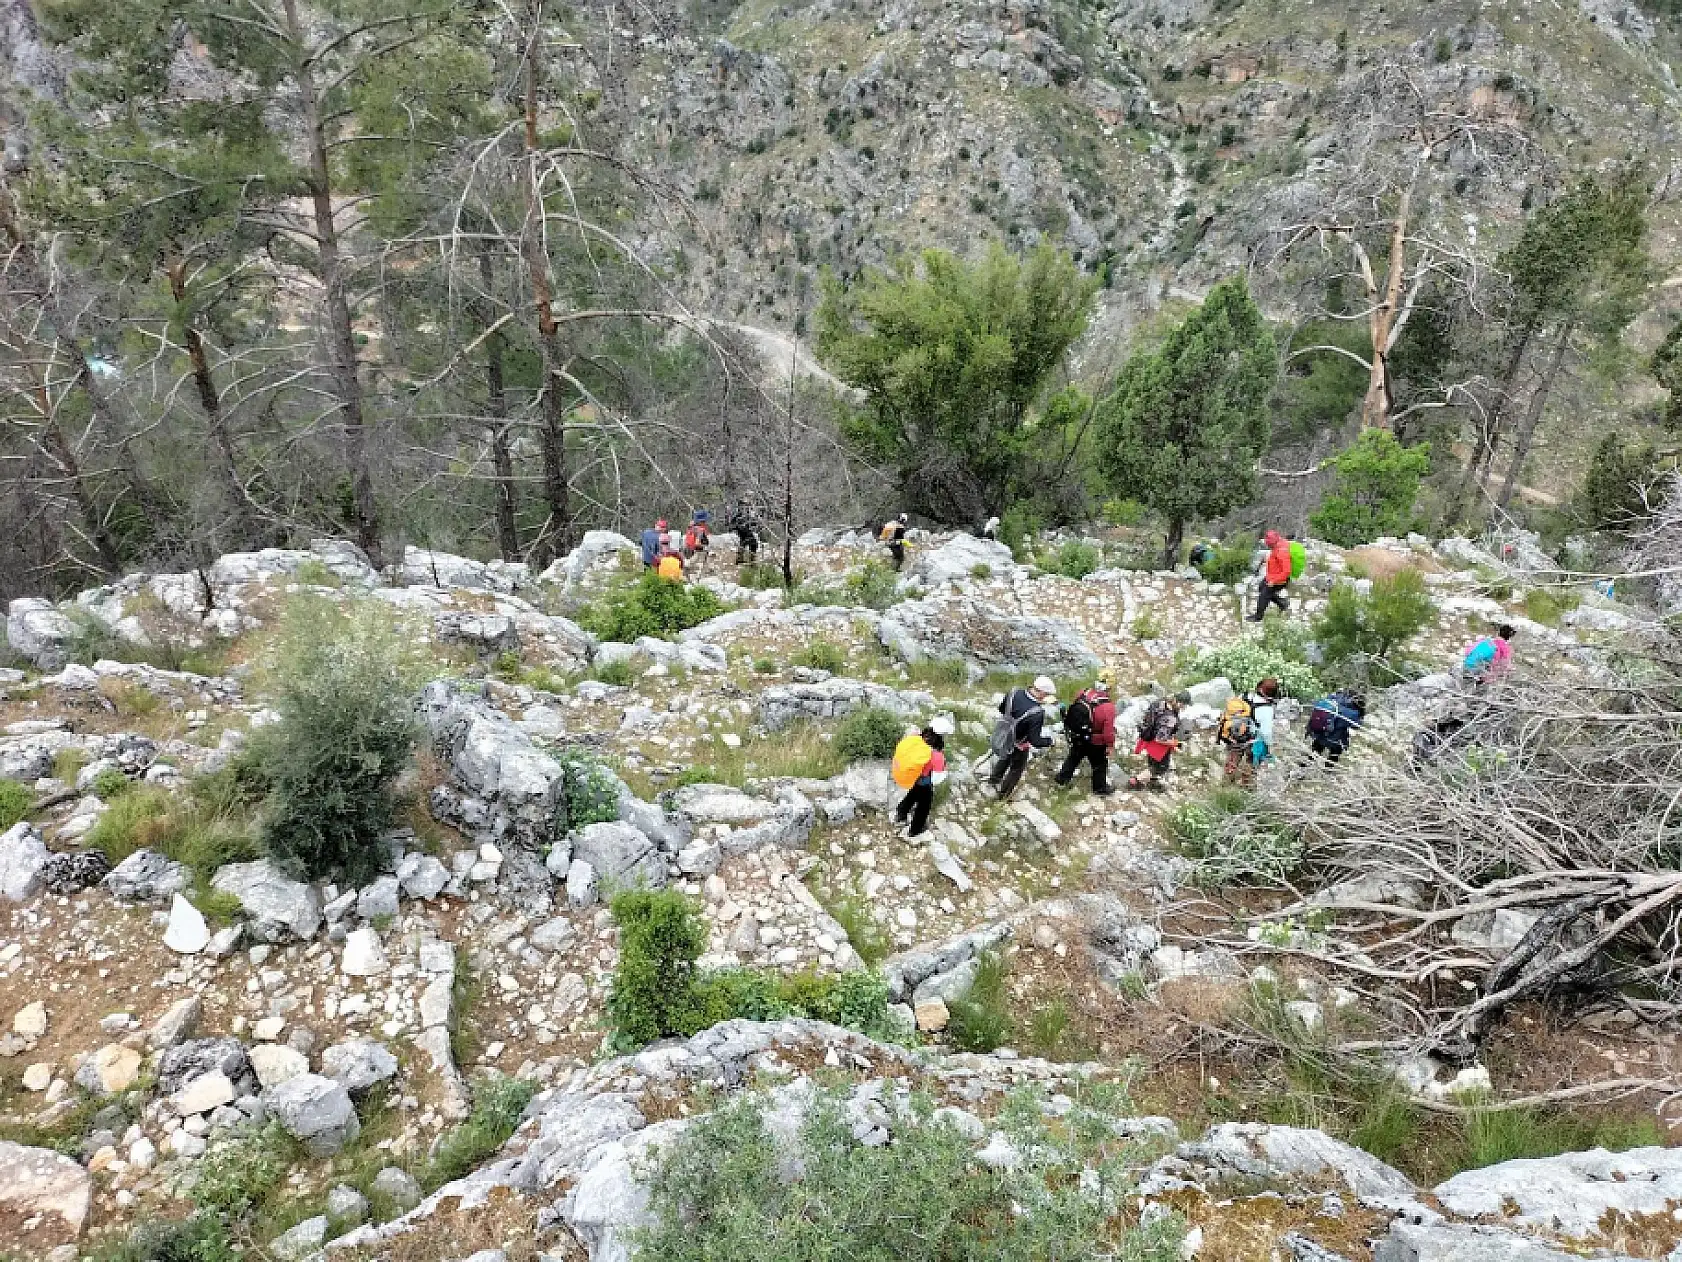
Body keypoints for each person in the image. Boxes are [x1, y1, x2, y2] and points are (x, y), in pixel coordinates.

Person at [989, 676, 1056, 800]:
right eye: (1046, 694)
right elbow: (1035, 740)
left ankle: (994, 779)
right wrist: (1050, 741)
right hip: (1020, 743)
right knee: (1016, 769)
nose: (1046, 697)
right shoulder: (1037, 713)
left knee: (1004, 756)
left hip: (1003, 733)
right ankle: (1003, 796)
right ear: (1041, 693)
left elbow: (1001, 709)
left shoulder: (1014, 692)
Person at [1054, 670, 1117, 796]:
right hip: (1096, 741)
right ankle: (1100, 788)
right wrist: (1110, 745)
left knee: (1073, 757)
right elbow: (1107, 733)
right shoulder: (1108, 707)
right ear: (1109, 687)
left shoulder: (1083, 693)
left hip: (1078, 735)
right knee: (1099, 764)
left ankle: (1062, 779)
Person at [892, 717, 953, 837]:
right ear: (941, 737)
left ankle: (901, 813)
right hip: (924, 783)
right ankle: (915, 830)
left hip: (913, 776)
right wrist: (944, 771)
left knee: (912, 794)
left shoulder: (916, 739)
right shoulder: (937, 755)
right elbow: (936, 780)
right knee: (924, 806)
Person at [1219, 678, 1279, 786]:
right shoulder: (1267, 709)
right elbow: (1266, 733)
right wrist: (1269, 746)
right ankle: (1246, 785)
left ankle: (1226, 782)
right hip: (1252, 740)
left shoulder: (1244, 696)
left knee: (1232, 760)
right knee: (1251, 762)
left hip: (1235, 735)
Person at [1129, 691, 1188, 791]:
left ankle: (1153, 783)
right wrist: (1175, 743)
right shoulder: (1170, 718)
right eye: (1184, 705)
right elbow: (1161, 738)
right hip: (1158, 746)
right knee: (1159, 768)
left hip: (1148, 739)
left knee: (1152, 764)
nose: (1184, 708)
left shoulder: (1160, 703)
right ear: (1179, 702)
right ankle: (1135, 781)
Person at [1306, 689, 1364, 766]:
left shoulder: (1332, 699)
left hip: (1320, 733)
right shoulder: (1351, 713)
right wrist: (1360, 714)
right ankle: (1328, 769)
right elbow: (1356, 725)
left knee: (1317, 746)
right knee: (1337, 749)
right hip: (1333, 739)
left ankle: (1307, 763)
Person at [1247, 529, 1293, 622]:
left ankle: (1258, 617)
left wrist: (1274, 581)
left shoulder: (1281, 551)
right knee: (1261, 587)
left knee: (1263, 596)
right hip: (1272, 576)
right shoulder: (1279, 544)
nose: (1267, 546)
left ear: (1273, 542)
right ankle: (1282, 604)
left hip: (1279, 580)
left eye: (1268, 544)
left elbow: (1287, 571)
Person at [729, 497, 760, 567]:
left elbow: (752, 522)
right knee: (750, 542)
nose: (744, 506)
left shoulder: (746, 513)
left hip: (745, 530)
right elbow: (732, 523)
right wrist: (737, 527)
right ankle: (749, 561)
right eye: (743, 504)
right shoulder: (738, 513)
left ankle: (744, 559)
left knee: (750, 543)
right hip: (742, 530)